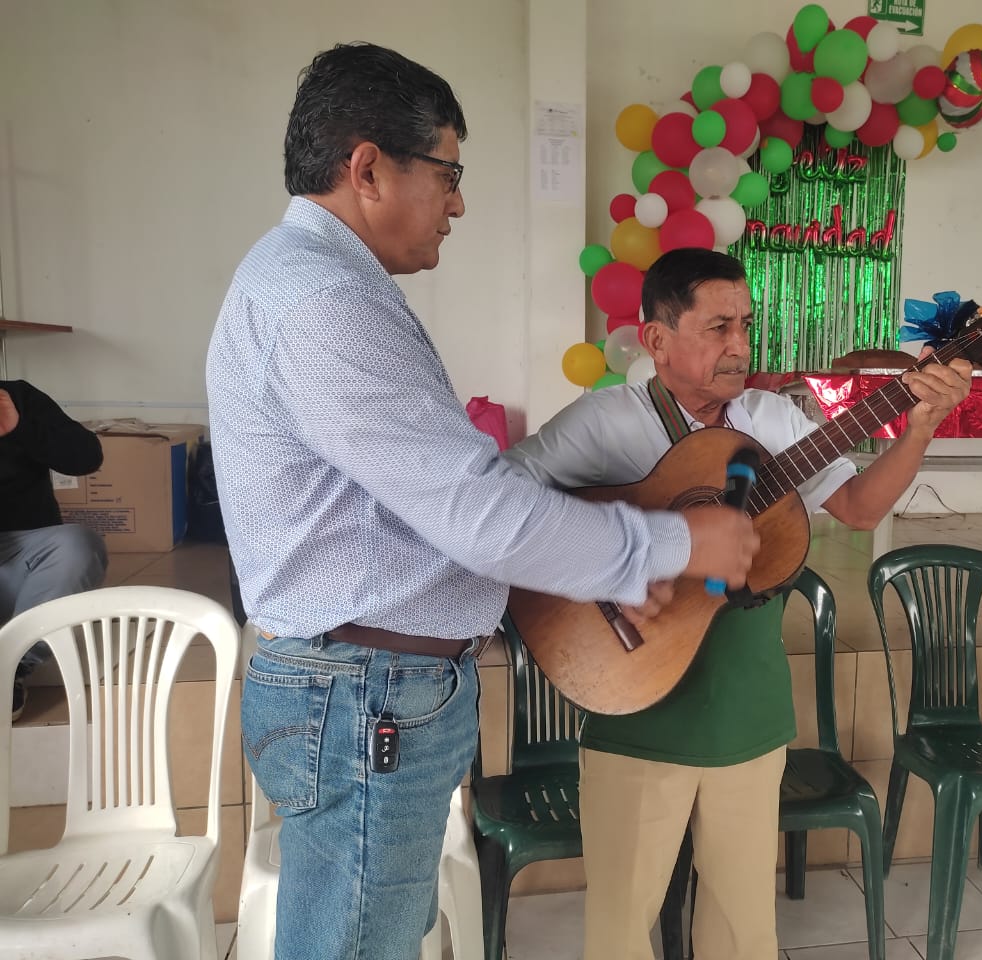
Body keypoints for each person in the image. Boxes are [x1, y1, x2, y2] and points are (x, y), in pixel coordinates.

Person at [204, 43, 758, 960]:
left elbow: (437, 506)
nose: (457, 204)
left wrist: (599, 569)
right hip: (367, 695)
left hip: (370, 690)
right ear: (368, 168)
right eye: (448, 174)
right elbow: (476, 510)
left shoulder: (313, 282)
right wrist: (669, 545)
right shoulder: (322, 301)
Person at [504, 247, 973, 960]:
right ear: (657, 339)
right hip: (635, 700)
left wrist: (920, 427)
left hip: (748, 706)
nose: (740, 346)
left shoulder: (771, 419)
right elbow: (504, 507)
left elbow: (858, 507)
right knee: (620, 927)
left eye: (746, 325)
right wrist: (612, 565)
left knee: (743, 926)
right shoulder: (604, 423)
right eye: (718, 327)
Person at [0, 380, 108, 720]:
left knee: (77, 546)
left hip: (26, 562)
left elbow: (87, 457)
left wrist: (21, 428)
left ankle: (10, 667)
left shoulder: (17, 398)